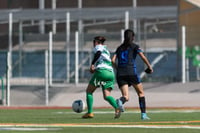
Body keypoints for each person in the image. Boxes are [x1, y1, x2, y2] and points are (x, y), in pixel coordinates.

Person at [111, 29, 153, 120]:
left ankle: (121, 101)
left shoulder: (119, 48)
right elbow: (142, 56)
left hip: (120, 74)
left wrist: (117, 68)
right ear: (133, 37)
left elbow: (112, 60)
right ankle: (143, 115)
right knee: (141, 93)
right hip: (131, 72)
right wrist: (149, 66)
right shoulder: (135, 46)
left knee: (126, 96)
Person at [82, 36, 121, 119]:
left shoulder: (98, 47)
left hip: (102, 72)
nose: (93, 44)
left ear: (96, 42)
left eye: (94, 42)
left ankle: (90, 113)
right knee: (107, 96)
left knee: (89, 91)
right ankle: (117, 108)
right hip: (110, 73)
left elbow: (98, 53)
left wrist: (92, 64)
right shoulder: (106, 50)